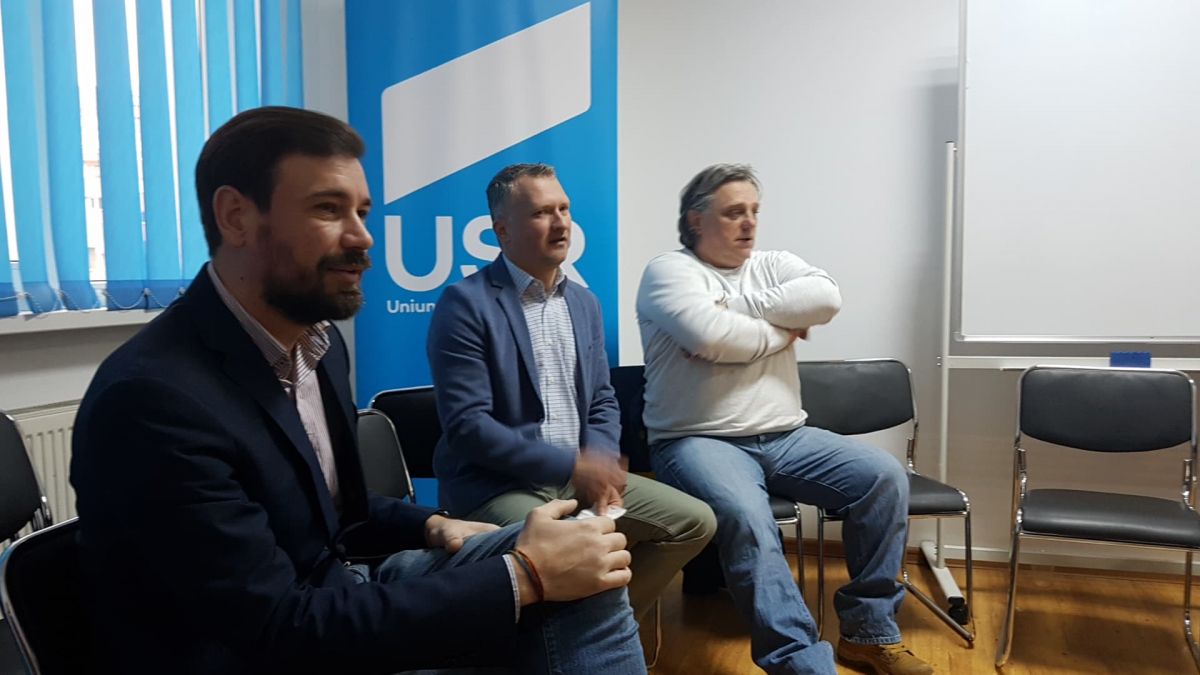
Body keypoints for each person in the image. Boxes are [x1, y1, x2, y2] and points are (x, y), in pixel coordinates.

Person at [70, 107, 646, 675]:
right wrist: (523, 577)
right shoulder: (153, 400)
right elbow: (277, 632)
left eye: (362, 212)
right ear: (236, 217)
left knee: (586, 556)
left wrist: (429, 524)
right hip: (275, 646)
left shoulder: (316, 347)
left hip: (340, 590)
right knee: (557, 573)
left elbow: (330, 509)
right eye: (328, 209)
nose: (362, 237)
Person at [635, 164, 933, 675]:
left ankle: (868, 632)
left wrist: (737, 306)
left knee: (884, 478)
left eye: (754, 211)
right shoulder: (670, 272)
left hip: (786, 436)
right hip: (696, 440)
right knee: (748, 517)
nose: (749, 223)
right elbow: (711, 338)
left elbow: (826, 299)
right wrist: (784, 330)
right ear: (696, 220)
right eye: (734, 212)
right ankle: (800, 662)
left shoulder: (772, 264)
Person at [427, 163, 716, 624]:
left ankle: (607, 630)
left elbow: (601, 398)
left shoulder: (583, 302)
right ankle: (591, 637)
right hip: (499, 484)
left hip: (575, 478)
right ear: (502, 230)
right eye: (542, 212)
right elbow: (469, 428)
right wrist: (575, 467)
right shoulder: (465, 304)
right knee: (574, 548)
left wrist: (599, 463)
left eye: (564, 209)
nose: (561, 223)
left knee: (694, 522)